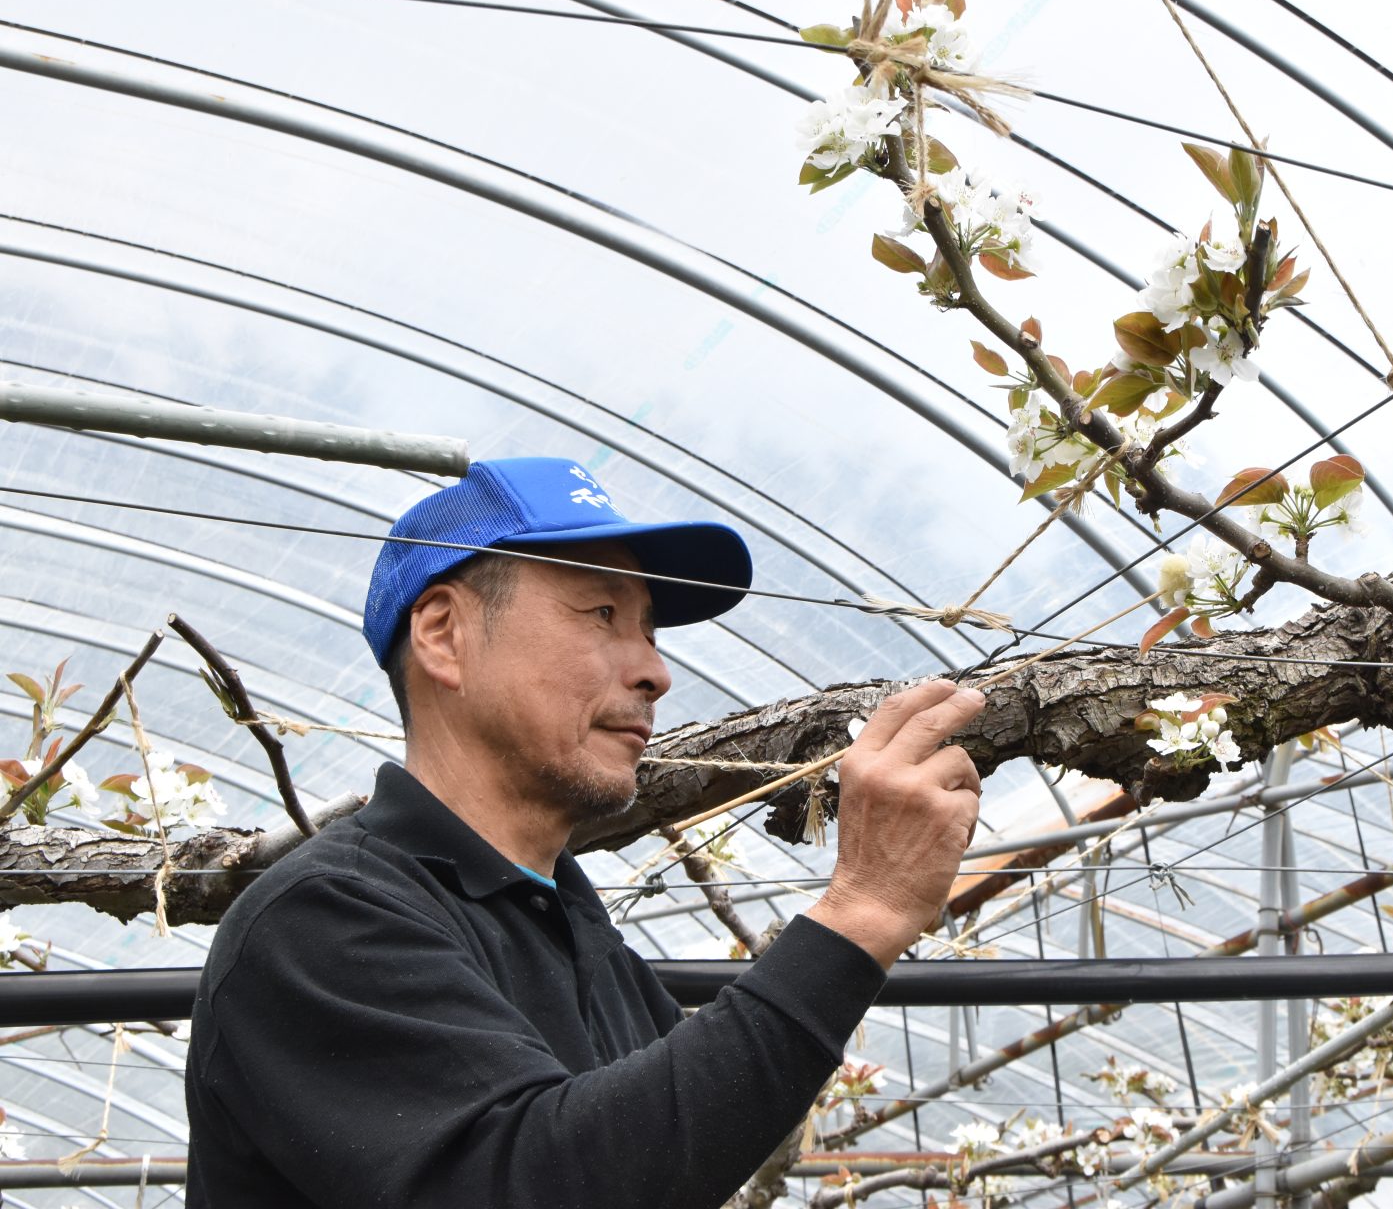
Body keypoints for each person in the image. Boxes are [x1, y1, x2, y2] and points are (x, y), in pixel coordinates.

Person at [183, 457, 984, 1207]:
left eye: (651, 632)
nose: (655, 672)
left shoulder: (585, 940)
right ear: (442, 633)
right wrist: (864, 911)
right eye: (601, 612)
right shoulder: (323, 920)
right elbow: (541, 1179)